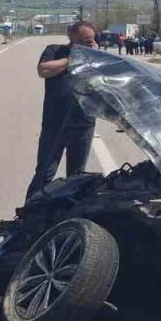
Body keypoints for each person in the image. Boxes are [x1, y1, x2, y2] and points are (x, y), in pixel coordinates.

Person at [25, 21, 98, 200]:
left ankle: (69, 211)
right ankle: (31, 211)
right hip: (55, 123)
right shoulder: (55, 51)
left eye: (89, 40)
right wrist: (72, 58)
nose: (85, 44)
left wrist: (96, 56)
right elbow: (43, 70)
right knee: (45, 172)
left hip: (83, 124)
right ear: (71, 36)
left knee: (77, 177)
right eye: (82, 40)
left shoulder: (94, 57)